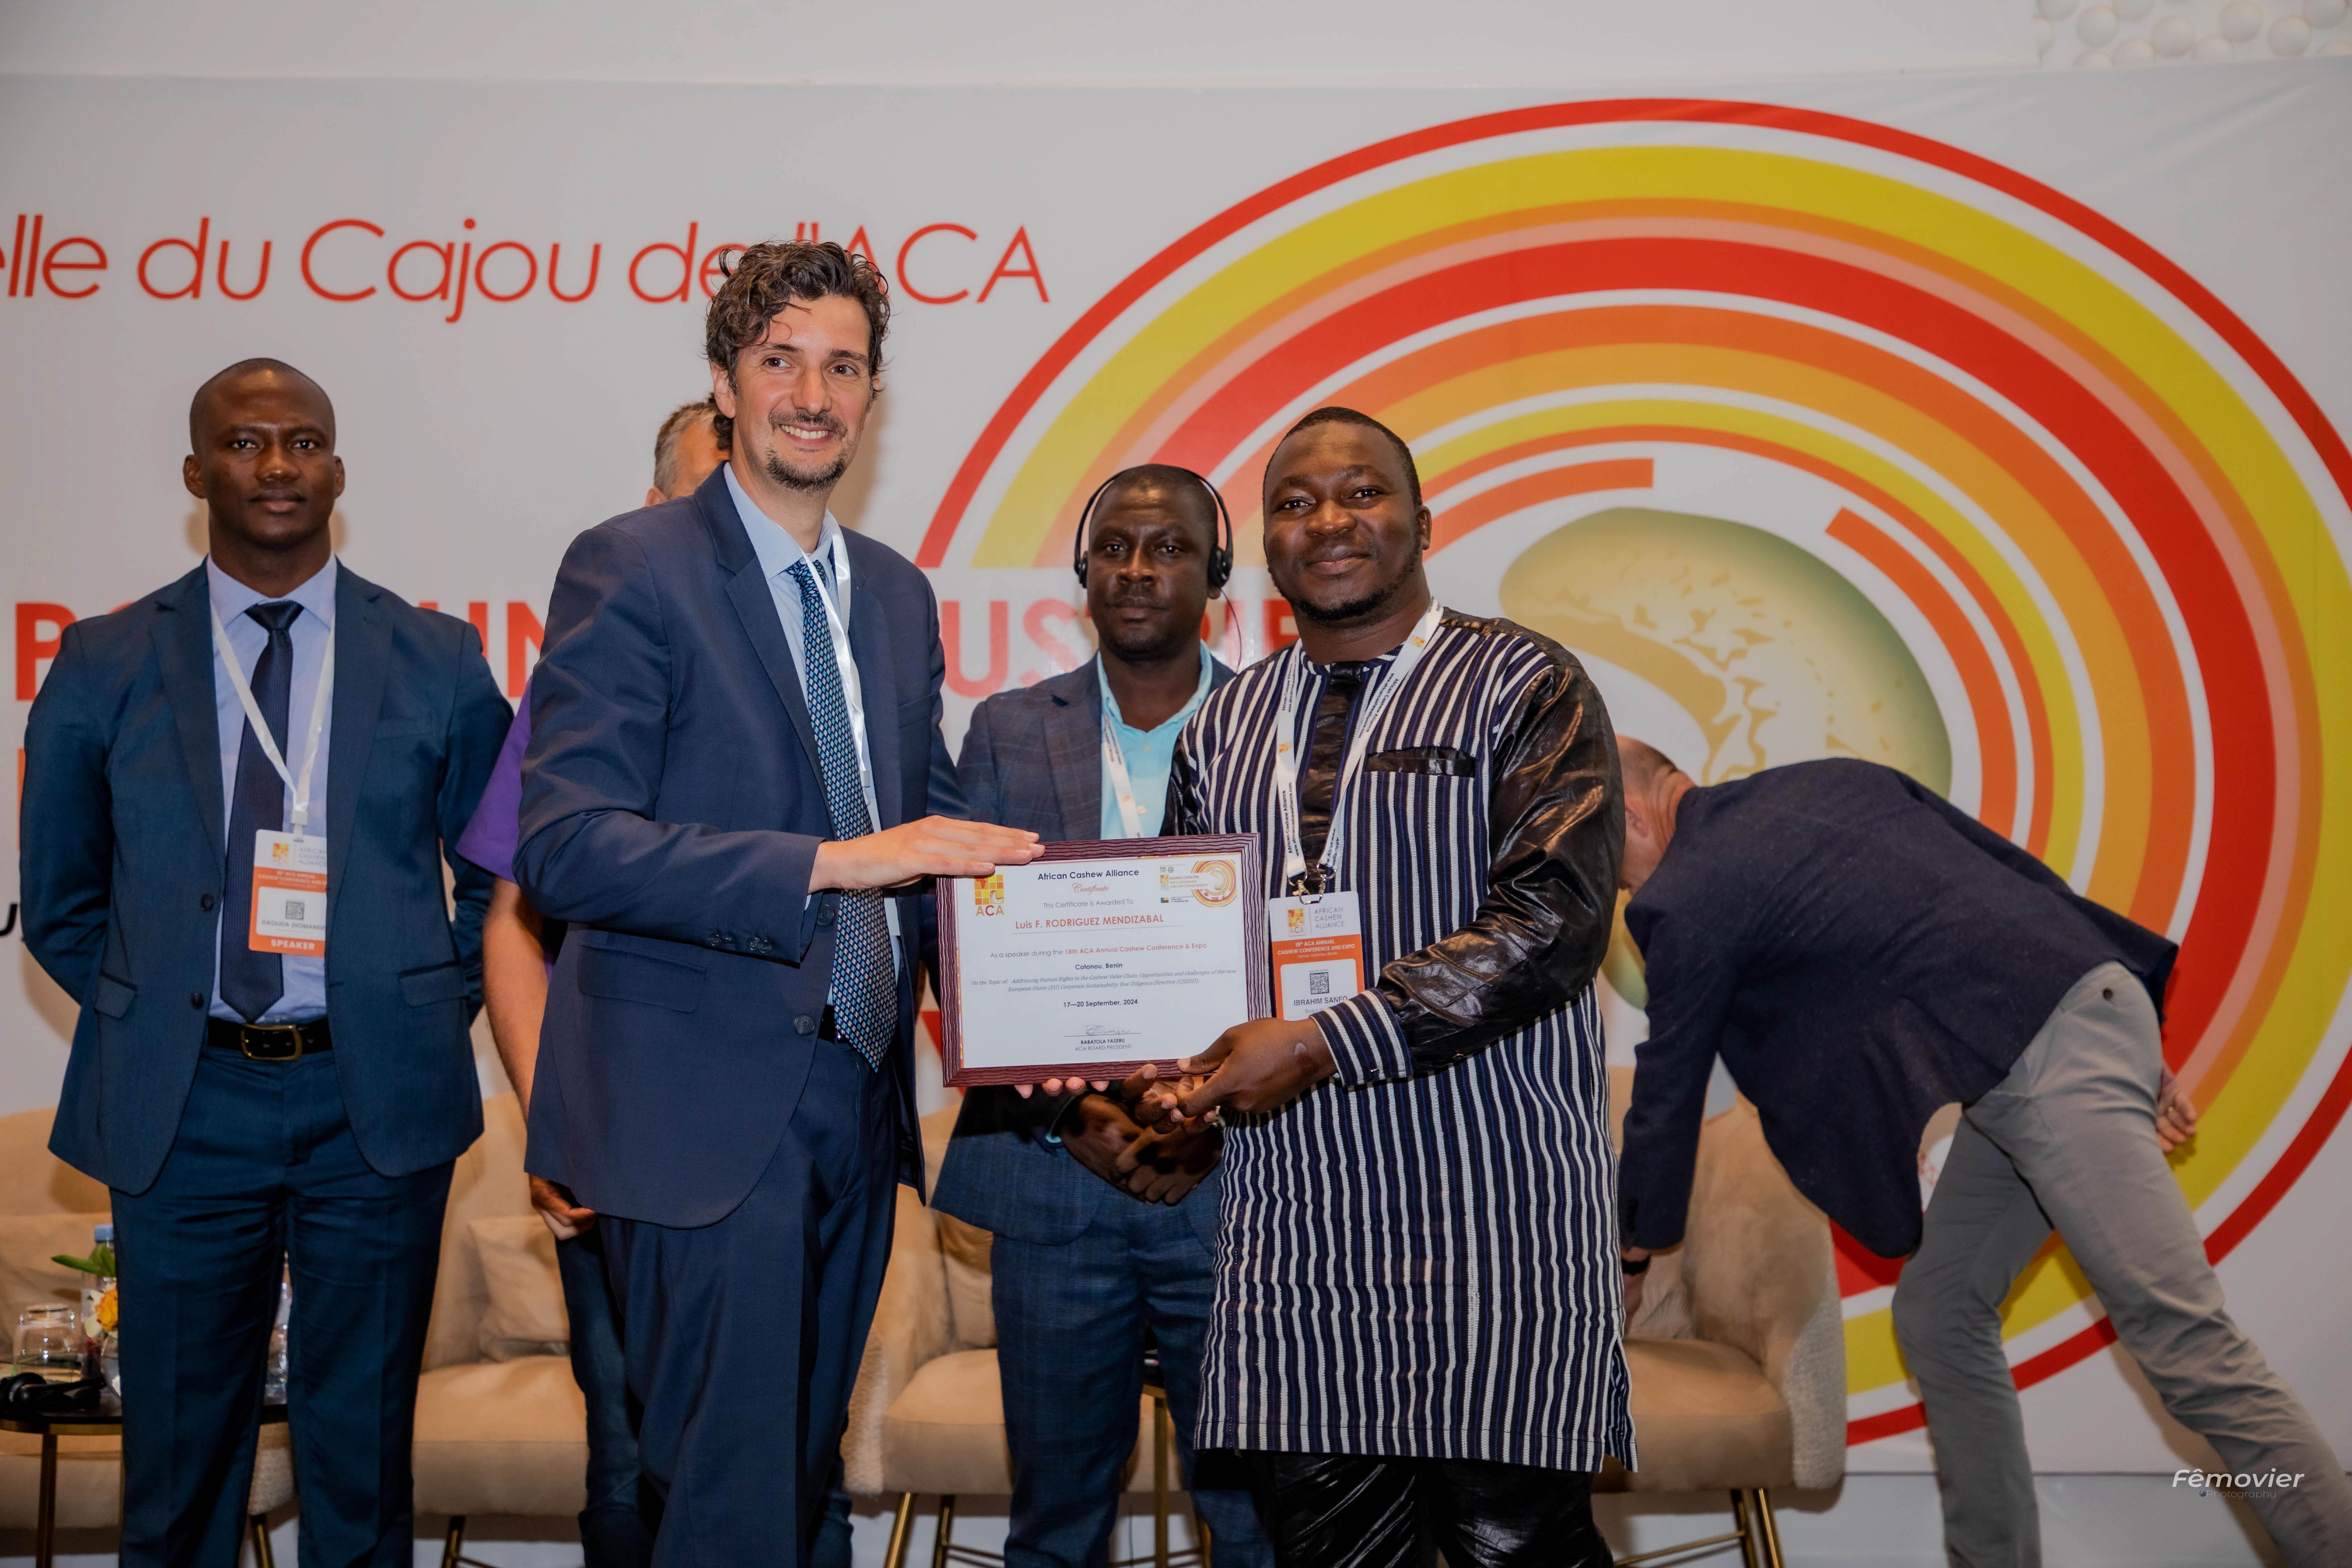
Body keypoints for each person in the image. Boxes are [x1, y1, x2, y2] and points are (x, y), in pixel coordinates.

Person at [514, 241, 1042, 1565]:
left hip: (857, 1107)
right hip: (699, 1116)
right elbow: (567, 846)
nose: (813, 395)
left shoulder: (897, 594)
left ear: (874, 395)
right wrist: (828, 862)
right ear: (724, 384)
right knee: (725, 1514)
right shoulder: (632, 566)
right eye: (780, 361)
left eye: (843, 367)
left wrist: (1043, 1012)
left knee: (795, 1499)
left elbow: (931, 846)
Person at [1610, 743, 2352, 1568]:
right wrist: (2117, 1014)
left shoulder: (1687, 890)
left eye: (1617, 874)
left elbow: (1668, 1092)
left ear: (1634, 816)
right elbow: (2019, 877)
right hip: (2042, 1048)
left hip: (2050, 1056)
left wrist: (1631, 1258)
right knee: (1940, 1312)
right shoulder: (1828, 780)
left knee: (2186, 1343)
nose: (1628, 893)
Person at [20, 359, 510, 1566]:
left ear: (340, 472)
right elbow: (64, 902)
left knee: (363, 1465)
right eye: (245, 444)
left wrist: (422, 1005)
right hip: (186, 1104)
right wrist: (156, 1017)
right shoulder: (103, 659)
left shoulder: (440, 658)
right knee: (179, 1471)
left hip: (373, 1100)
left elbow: (503, 876)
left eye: (303, 442)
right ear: (196, 474)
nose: (277, 465)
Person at [1138, 408, 1630, 1567]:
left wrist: (1323, 1042)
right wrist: (1150, 1078)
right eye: (1295, 503)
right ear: (1265, 544)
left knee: (1520, 1550)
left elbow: (1553, 922)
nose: (1329, 522)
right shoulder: (1224, 723)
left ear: (1424, 521)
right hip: (1300, 1239)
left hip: (1495, 1223)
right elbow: (1191, 954)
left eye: (1361, 493)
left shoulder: (1524, 684)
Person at [932, 465, 1272, 1568]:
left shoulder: (1282, 728)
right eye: (1115, 548)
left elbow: (1309, 949)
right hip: (1057, 1179)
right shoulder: (1007, 730)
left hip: (1236, 1189)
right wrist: (1070, 1112)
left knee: (1257, 1523)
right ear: (1083, 573)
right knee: (1057, 1521)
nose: (1136, 570)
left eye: (1168, 548)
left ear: (1217, 576)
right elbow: (958, 940)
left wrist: (1208, 1123)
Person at [455, 397, 730, 1568]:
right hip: (615, 1140)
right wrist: (552, 1123)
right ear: (653, 511)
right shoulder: (585, 681)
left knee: (793, 1462)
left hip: (780, 1140)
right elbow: (514, 926)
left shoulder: (834, 671)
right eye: (711, 493)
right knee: (627, 1460)